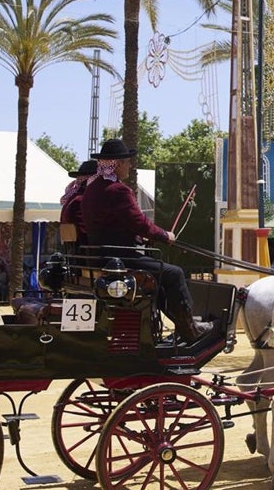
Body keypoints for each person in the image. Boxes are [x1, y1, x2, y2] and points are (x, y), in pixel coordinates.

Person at [81, 137, 212, 342]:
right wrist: (164, 235)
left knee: (159, 280)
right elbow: (139, 222)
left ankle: (181, 325)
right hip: (121, 257)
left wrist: (138, 234)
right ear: (117, 165)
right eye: (127, 162)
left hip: (101, 255)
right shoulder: (118, 190)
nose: (130, 166)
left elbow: (116, 223)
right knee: (174, 273)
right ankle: (190, 329)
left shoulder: (92, 189)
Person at [60, 159, 97, 250]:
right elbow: (84, 233)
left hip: (76, 254)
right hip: (86, 254)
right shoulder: (81, 201)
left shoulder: (73, 199)